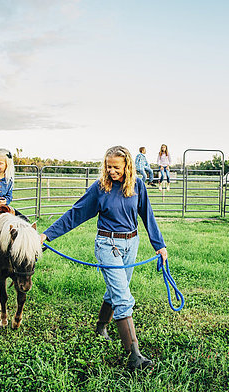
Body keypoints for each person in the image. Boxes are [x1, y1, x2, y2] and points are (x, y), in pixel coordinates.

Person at [40, 145, 168, 370]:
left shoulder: (137, 185)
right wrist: (47, 235)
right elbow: (75, 213)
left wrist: (159, 245)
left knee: (116, 289)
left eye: (116, 167)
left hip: (132, 243)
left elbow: (148, 215)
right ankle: (134, 356)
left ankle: (101, 327)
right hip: (107, 245)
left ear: (127, 166)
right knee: (123, 297)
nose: (111, 171)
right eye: (108, 167)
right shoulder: (100, 188)